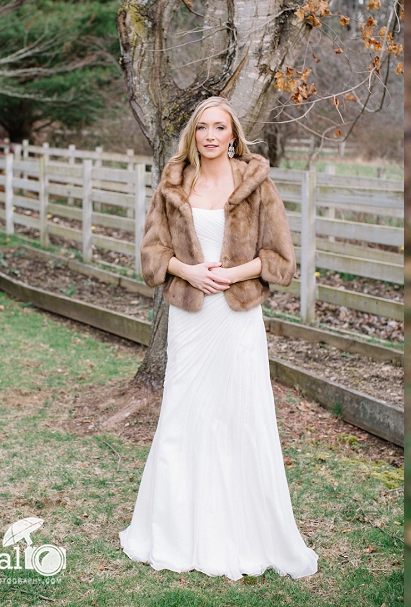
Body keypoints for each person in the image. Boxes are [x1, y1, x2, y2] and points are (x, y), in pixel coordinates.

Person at [119, 96, 318, 580]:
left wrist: (229, 274)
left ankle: (244, 533)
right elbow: (151, 254)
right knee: (185, 413)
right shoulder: (173, 180)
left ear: (233, 135)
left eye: (220, 128)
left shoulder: (256, 183)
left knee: (238, 415)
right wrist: (187, 269)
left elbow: (280, 260)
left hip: (235, 319)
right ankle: (174, 530)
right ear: (194, 133)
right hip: (190, 317)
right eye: (203, 127)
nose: (210, 135)